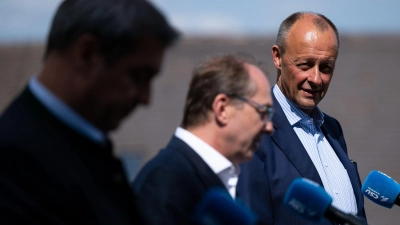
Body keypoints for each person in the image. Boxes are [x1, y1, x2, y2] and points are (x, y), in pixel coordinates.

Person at [0, 0, 178, 224]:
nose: (146, 98)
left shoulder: (85, 147)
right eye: (138, 76)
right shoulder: (16, 162)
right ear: (87, 54)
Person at [237, 12, 367, 225]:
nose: (316, 79)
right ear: (277, 57)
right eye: (305, 65)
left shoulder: (333, 130)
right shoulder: (251, 133)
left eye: (326, 67)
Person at [132, 54, 274, 225]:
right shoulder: (165, 182)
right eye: (263, 112)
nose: (269, 127)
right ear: (222, 109)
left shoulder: (217, 178)